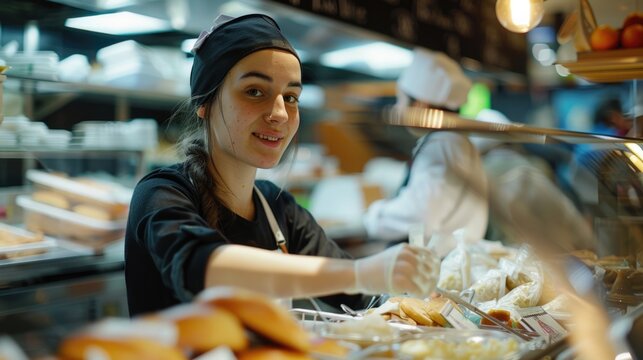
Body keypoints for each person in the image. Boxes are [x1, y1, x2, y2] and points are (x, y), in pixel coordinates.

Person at [124, 14, 437, 316]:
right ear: (204, 104)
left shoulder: (278, 209)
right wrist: (358, 272)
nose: (280, 114)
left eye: (290, 97)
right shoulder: (161, 194)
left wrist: (401, 287)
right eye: (255, 91)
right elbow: (202, 266)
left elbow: (364, 298)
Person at [363, 48, 489, 256]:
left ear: (420, 105)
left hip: (443, 266)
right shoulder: (454, 140)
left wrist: (374, 216)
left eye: (401, 100)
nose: (397, 109)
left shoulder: (443, 143)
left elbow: (421, 214)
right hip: (453, 261)